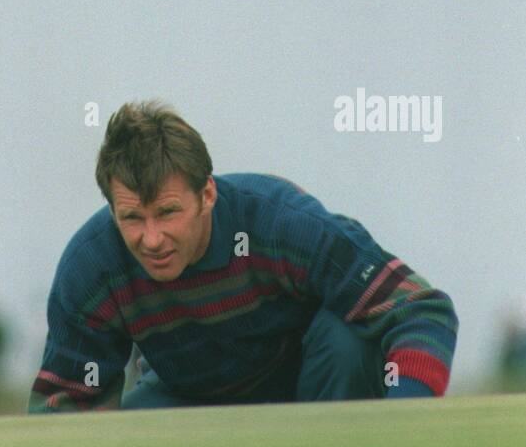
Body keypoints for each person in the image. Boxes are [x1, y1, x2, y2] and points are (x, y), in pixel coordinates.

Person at [28, 101, 458, 412]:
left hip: (312, 385)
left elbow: (421, 310)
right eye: (132, 218)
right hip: (187, 396)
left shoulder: (281, 223)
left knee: (346, 340)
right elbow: (65, 399)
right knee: (138, 425)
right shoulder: (92, 265)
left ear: (207, 194)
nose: (152, 239)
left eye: (168, 212)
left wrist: (407, 417)